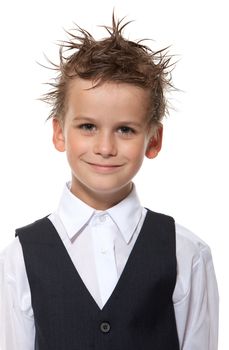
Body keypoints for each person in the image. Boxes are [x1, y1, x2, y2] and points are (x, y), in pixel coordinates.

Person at [0, 14, 219, 350]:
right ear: (59, 132)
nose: (105, 148)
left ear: (154, 140)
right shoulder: (19, 258)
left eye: (125, 129)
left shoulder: (187, 253)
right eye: (88, 126)